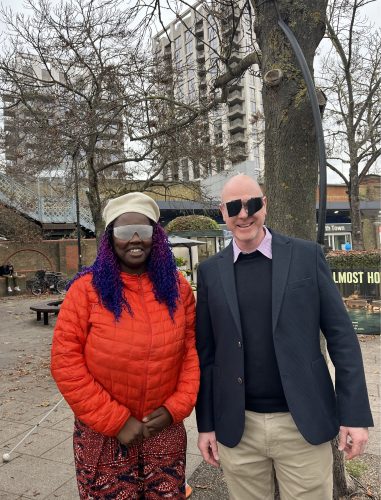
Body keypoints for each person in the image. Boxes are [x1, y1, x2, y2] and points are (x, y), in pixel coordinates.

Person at [195, 174, 373, 500]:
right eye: (234, 206)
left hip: (302, 424)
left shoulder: (306, 257)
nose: (244, 214)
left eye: (252, 204)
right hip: (239, 427)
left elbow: (342, 338)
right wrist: (205, 424)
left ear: (265, 204)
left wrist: (354, 415)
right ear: (222, 212)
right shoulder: (209, 272)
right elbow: (206, 353)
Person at [51, 192, 200, 499]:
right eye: (123, 231)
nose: (135, 239)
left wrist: (176, 408)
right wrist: (116, 421)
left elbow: (191, 353)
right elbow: (65, 362)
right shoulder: (86, 291)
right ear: (109, 238)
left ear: (156, 237)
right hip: (104, 435)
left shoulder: (178, 288)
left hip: (164, 430)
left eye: (144, 231)